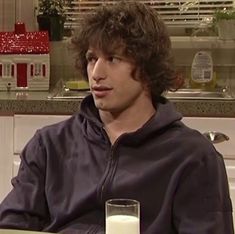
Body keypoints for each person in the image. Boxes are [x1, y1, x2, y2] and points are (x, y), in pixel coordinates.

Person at [0, 1, 233, 233]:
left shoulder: (193, 157)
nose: (97, 74)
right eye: (92, 59)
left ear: (146, 67)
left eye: (113, 59)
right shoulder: (49, 146)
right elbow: (10, 226)